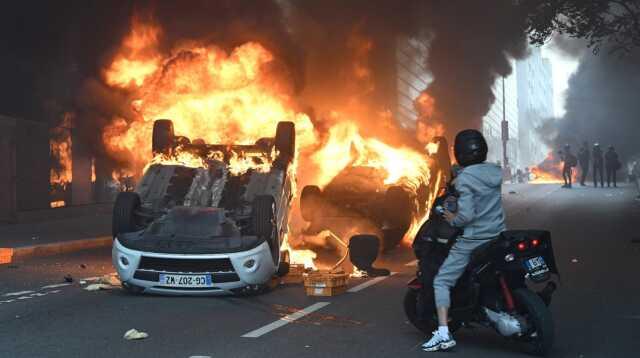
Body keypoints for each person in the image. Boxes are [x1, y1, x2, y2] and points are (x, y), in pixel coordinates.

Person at [422, 129, 506, 352]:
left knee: (441, 281)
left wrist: (452, 218)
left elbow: (466, 216)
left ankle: (443, 333)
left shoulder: (465, 179)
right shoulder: (495, 172)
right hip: (497, 234)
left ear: (459, 153)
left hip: (473, 239)